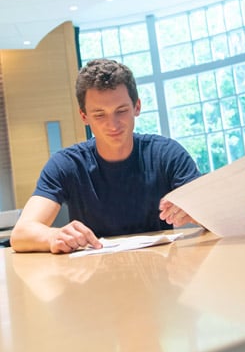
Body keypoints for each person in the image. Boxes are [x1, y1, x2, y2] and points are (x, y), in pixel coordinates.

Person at [10, 59, 200, 254]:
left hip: (161, 272)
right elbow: (21, 234)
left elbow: (216, 214)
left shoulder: (167, 154)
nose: (113, 125)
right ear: (84, 116)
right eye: (100, 115)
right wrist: (53, 236)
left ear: (137, 107)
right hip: (92, 274)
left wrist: (195, 213)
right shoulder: (66, 164)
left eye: (121, 111)